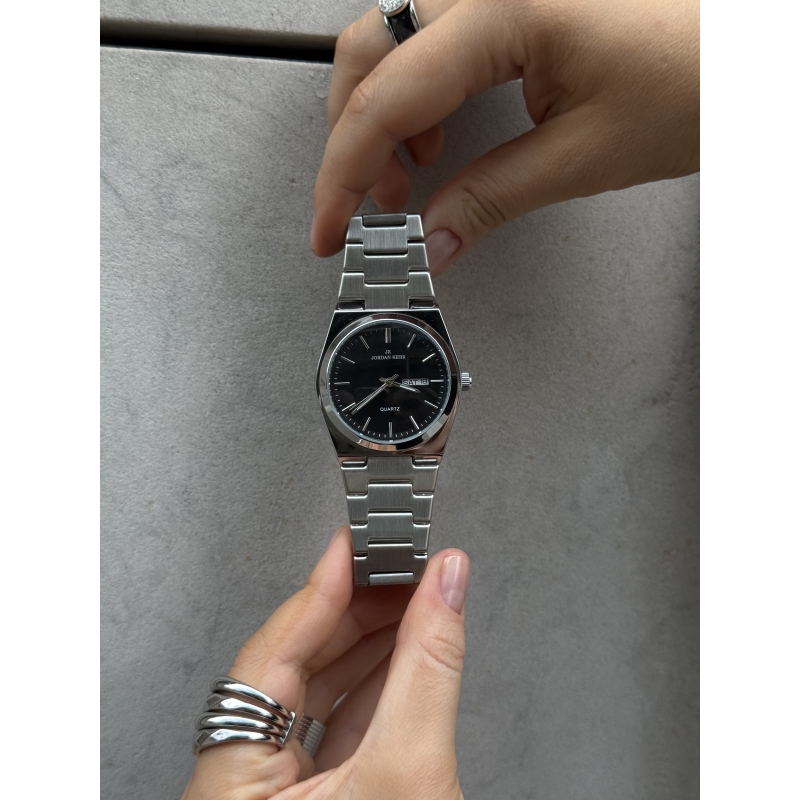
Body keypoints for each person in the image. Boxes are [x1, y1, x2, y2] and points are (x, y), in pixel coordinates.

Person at [182, 1, 699, 796]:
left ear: (454, 379)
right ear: (333, 385)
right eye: (378, 380)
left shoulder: (385, 382)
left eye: (416, 378)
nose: (395, 380)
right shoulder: (408, 384)